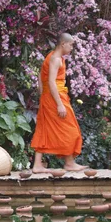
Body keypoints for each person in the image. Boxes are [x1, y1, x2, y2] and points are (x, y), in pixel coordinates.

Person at [31, 33, 86, 173]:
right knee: (70, 129)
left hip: (48, 96)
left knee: (44, 128)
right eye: (71, 45)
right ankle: (69, 163)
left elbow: (41, 76)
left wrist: (42, 93)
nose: (72, 48)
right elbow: (51, 81)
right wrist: (59, 104)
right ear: (63, 44)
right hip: (56, 98)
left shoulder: (51, 56)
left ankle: (37, 165)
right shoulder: (56, 59)